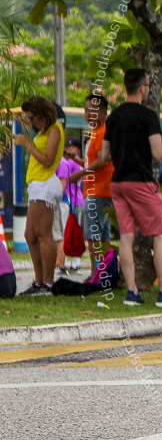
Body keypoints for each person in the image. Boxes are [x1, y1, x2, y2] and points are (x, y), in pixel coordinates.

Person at [100, 68, 162, 308]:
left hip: (118, 183)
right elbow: (159, 153)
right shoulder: (148, 116)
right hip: (141, 182)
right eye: (148, 85)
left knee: (126, 237)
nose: (148, 89)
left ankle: (131, 291)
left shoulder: (113, 116)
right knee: (160, 235)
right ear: (142, 88)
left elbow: (105, 154)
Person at [15, 96, 64, 295]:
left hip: (45, 185)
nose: (31, 122)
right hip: (36, 185)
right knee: (30, 235)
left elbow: (47, 159)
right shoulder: (44, 132)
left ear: (42, 114)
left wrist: (28, 145)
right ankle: (39, 281)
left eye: (32, 118)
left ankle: (48, 282)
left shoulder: (54, 130)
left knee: (44, 236)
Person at [69, 94, 115, 282]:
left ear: (103, 112)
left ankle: (97, 275)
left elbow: (104, 161)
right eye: (86, 109)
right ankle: (104, 273)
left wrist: (81, 173)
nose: (88, 113)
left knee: (94, 236)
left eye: (92, 110)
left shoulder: (104, 132)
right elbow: (93, 161)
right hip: (96, 190)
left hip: (99, 191)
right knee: (102, 236)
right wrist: (77, 161)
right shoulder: (95, 132)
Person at [55, 137, 85, 274]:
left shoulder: (72, 163)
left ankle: (73, 262)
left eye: (70, 146)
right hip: (74, 199)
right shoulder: (72, 162)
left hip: (73, 200)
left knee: (71, 231)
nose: (67, 149)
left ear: (76, 148)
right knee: (72, 231)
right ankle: (72, 261)